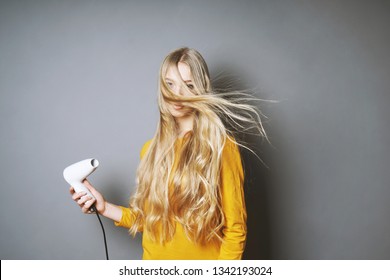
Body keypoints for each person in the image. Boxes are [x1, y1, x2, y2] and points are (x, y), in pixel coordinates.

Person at [70, 47, 268, 260]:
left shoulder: (222, 147)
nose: (177, 94)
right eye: (170, 84)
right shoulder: (151, 150)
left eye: (188, 85)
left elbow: (235, 230)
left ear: (201, 88)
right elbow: (150, 221)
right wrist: (104, 207)